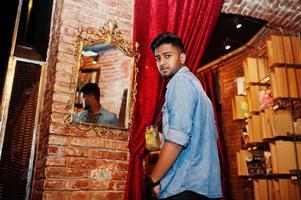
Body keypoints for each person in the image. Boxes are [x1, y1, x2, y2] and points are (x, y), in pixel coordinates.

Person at [145, 33, 222, 200]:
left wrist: (153, 179)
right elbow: (199, 136)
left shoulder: (180, 83)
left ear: (182, 57)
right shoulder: (195, 85)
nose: (162, 63)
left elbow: (177, 140)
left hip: (184, 186)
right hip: (203, 186)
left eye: (167, 56)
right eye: (158, 58)